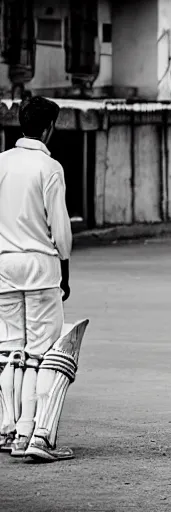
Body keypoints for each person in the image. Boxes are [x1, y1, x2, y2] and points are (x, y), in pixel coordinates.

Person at [0, 96, 88, 461]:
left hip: (3, 267)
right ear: (50, 127)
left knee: (9, 352)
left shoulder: (1, 162)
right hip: (40, 267)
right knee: (39, 355)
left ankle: (8, 430)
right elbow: (61, 231)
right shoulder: (49, 167)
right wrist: (65, 270)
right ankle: (33, 435)